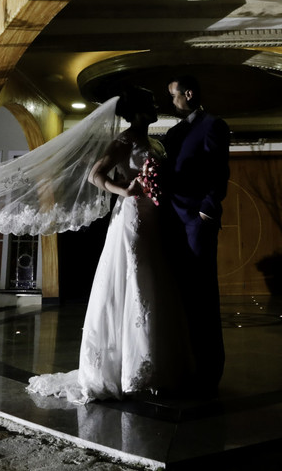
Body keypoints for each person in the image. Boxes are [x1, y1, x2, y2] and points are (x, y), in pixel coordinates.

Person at [26, 87, 194, 404]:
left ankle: (155, 366)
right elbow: (95, 175)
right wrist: (124, 190)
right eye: (151, 103)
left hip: (155, 219)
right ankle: (131, 371)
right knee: (135, 279)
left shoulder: (153, 142)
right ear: (138, 112)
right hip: (133, 219)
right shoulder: (125, 141)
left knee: (155, 282)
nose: (157, 105)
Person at [162, 74, 229, 393]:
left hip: (197, 220)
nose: (171, 101)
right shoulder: (173, 132)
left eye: (173, 95)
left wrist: (207, 209)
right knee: (179, 292)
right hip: (171, 219)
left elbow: (220, 170)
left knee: (202, 290)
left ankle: (210, 367)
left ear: (189, 93)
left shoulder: (213, 125)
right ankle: (184, 362)